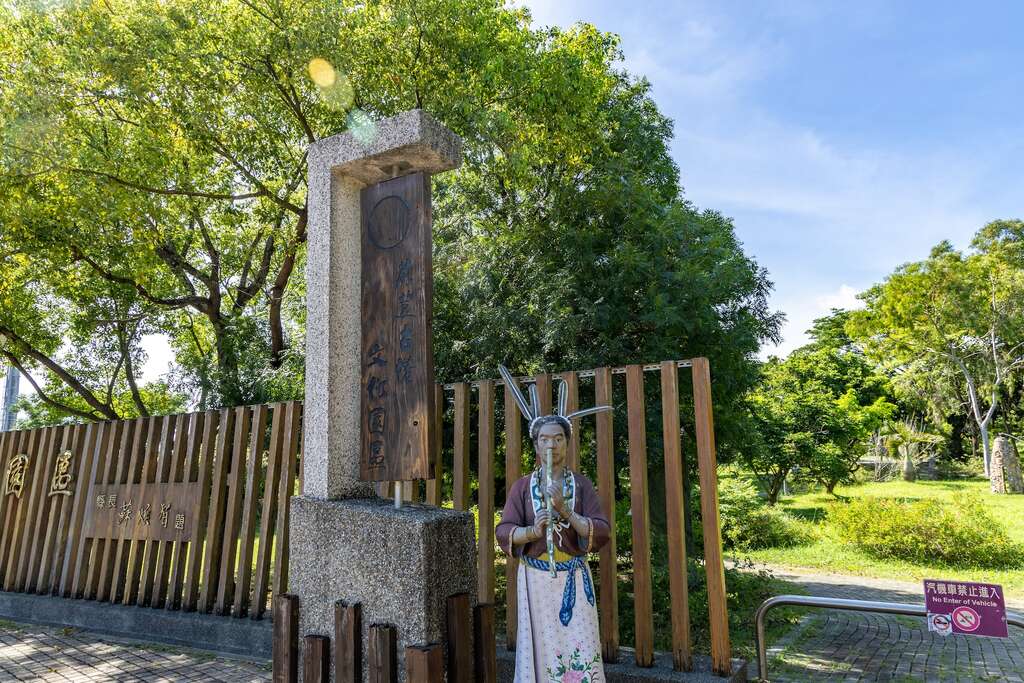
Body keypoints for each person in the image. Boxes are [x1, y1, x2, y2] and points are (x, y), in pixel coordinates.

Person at [495, 366, 612, 683]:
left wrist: (566, 511)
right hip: (535, 580)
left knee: (579, 643)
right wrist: (533, 532)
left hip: (573, 575)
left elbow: (601, 529)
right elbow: (503, 531)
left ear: (567, 443)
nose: (551, 445)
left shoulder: (581, 485)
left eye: (558, 438)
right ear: (535, 445)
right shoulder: (522, 487)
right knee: (541, 648)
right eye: (544, 439)